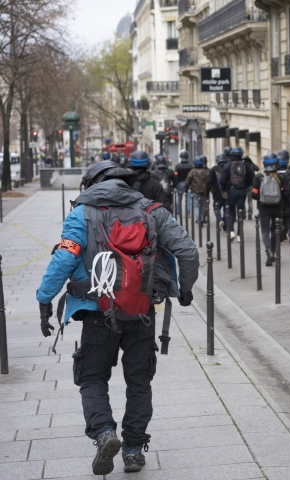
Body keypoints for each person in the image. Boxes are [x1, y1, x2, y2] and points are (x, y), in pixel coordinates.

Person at [36, 161, 199, 475]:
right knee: (139, 382)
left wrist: (45, 300)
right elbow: (188, 251)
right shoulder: (152, 210)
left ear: (93, 183)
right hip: (141, 311)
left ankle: (104, 432)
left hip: (98, 314)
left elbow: (64, 257)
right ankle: (134, 450)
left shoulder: (81, 214)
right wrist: (186, 290)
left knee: (92, 377)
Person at [251, 152, 290, 266]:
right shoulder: (282, 177)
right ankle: (273, 252)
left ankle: (268, 251)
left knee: (265, 230)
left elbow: (254, 195)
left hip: (264, 208)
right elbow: (288, 193)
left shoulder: (259, 177)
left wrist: (261, 195)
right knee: (275, 231)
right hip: (278, 208)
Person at [219, 147, 255, 241]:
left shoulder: (228, 165)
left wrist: (224, 187)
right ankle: (240, 235)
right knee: (240, 212)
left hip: (231, 190)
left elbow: (222, 180)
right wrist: (245, 186)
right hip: (242, 191)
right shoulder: (246, 165)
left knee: (231, 212)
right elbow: (251, 178)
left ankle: (231, 232)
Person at [185, 155, 210, 224]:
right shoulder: (206, 172)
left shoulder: (192, 171)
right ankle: (201, 218)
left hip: (195, 191)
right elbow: (209, 181)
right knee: (202, 205)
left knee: (196, 206)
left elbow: (187, 181)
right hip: (204, 192)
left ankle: (199, 218)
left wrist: (185, 189)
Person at [206, 153, 228, 231]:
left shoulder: (214, 169)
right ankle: (225, 226)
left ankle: (220, 219)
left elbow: (209, 182)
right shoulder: (228, 167)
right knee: (227, 210)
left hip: (217, 193)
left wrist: (207, 192)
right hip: (227, 193)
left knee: (216, 209)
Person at [174, 150, 193, 216]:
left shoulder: (177, 166)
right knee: (188, 199)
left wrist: (176, 184)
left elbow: (175, 176)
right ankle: (188, 212)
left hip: (180, 183)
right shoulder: (190, 166)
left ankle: (178, 212)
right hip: (189, 184)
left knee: (179, 198)